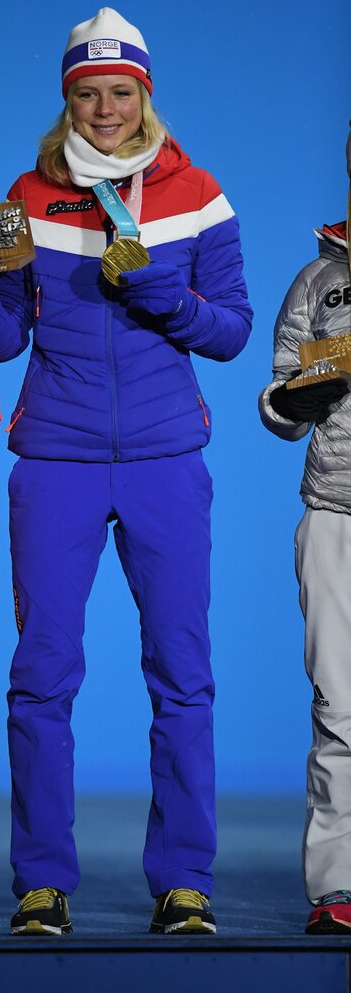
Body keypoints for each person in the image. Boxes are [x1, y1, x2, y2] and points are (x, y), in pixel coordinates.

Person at [0, 8, 252, 936]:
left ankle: (184, 880)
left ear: (145, 94)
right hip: (57, 462)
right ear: (67, 98)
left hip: (165, 459)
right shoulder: (28, 197)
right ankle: (41, 882)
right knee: (41, 675)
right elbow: (3, 340)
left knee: (182, 674)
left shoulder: (196, 194)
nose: (106, 108)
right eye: (88, 93)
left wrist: (166, 295)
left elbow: (233, 332)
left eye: (121, 92)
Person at [258, 126, 351, 935]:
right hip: (336, 517)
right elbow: (278, 403)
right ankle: (339, 887)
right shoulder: (319, 279)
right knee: (341, 707)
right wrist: (302, 396)